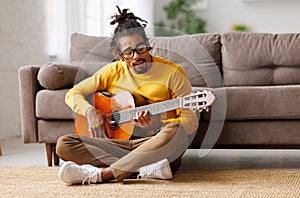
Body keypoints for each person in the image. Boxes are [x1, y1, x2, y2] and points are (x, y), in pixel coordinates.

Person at [56, 6, 198, 185]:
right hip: (122, 145)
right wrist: (90, 112)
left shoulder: (173, 73)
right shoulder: (113, 71)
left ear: (147, 44)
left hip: (155, 143)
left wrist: (158, 123)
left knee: (176, 131)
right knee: (64, 144)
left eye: (141, 49)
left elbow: (191, 121)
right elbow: (73, 93)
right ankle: (143, 168)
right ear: (119, 55)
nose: (136, 56)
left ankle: (102, 174)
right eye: (128, 52)